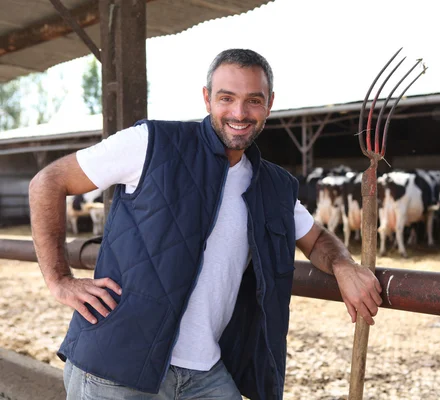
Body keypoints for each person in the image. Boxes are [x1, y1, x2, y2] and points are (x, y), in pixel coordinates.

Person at [29, 48, 382, 400]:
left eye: (253, 101)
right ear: (206, 98)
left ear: (270, 104)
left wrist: (343, 265)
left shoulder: (274, 186)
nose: (239, 113)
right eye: (226, 98)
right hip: (118, 367)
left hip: (206, 374)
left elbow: (317, 240)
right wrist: (59, 280)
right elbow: (48, 182)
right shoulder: (150, 143)